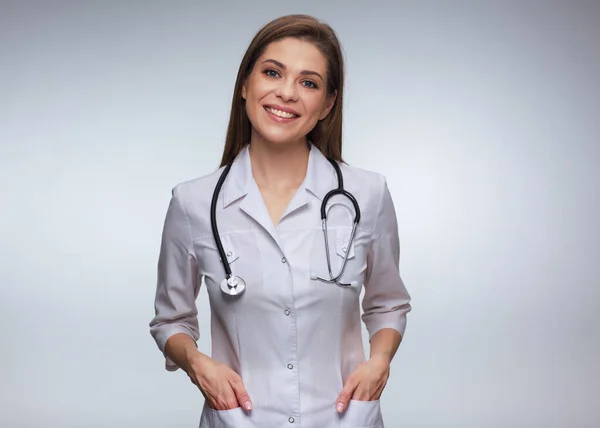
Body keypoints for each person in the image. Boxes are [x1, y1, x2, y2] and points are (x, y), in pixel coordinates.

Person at [149, 14, 411, 428]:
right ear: (245, 84)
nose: (287, 92)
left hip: (342, 418)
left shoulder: (367, 195)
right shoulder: (193, 203)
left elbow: (387, 303)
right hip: (241, 420)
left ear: (327, 104)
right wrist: (199, 365)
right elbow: (171, 320)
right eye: (273, 72)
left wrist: (380, 360)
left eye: (308, 82)